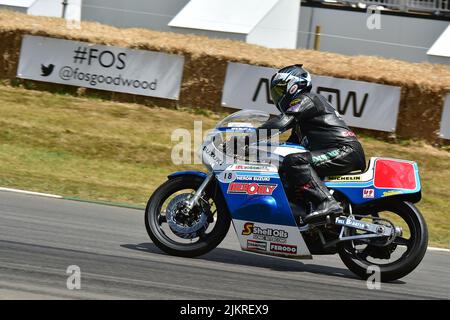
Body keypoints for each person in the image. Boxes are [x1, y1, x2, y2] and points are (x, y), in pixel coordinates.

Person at [259, 64, 366, 224]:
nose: (277, 96)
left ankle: (326, 202)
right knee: (285, 164)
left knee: (295, 161)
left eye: (280, 91)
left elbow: (282, 121)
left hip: (344, 150)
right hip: (341, 150)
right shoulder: (301, 123)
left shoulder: (307, 99)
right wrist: (259, 151)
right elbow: (286, 148)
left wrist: (249, 137)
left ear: (293, 86)